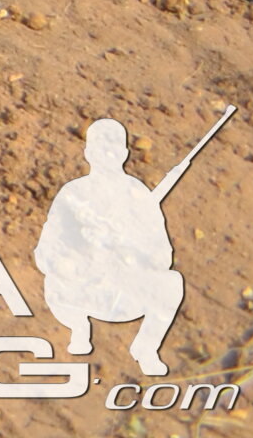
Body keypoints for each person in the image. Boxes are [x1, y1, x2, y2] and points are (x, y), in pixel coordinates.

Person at [38, 116, 204, 376]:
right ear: (88, 153)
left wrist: (130, 248)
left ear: (124, 153)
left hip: (124, 287)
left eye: (113, 149)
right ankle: (79, 328)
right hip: (83, 284)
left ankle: (146, 347)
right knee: (60, 272)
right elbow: (46, 250)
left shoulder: (137, 195)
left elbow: (162, 255)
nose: (106, 154)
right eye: (99, 149)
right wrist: (80, 249)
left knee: (171, 282)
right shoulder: (74, 192)